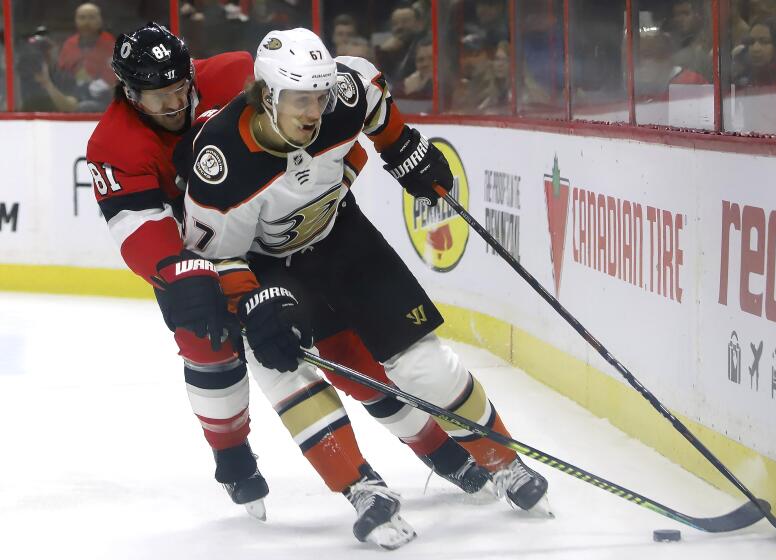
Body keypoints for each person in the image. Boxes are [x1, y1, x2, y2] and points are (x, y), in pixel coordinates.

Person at [86, 22, 491, 550]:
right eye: (159, 96)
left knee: (346, 349)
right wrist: (180, 272)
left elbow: (330, 113)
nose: (177, 102)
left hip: (272, 244)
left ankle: (442, 450)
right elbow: (144, 232)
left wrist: (377, 162)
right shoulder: (113, 145)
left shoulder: (236, 73)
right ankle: (232, 459)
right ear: (128, 92)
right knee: (209, 348)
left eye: (182, 86)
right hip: (194, 253)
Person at [176, 27, 552, 538]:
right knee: (282, 365)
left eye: (320, 97)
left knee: (424, 363)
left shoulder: (344, 95)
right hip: (269, 266)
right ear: (265, 96)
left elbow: (375, 102)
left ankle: (503, 461)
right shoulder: (220, 164)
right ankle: (361, 487)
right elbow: (216, 256)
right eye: (300, 100)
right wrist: (251, 306)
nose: (314, 112)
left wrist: (402, 148)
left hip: (340, 235)